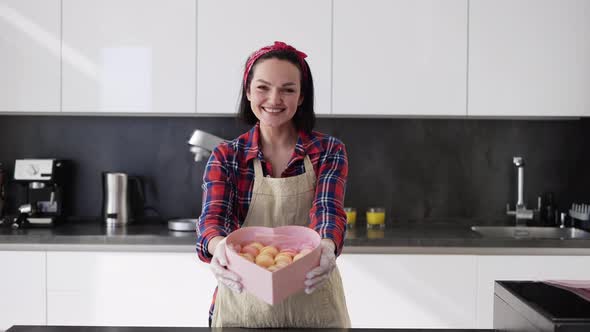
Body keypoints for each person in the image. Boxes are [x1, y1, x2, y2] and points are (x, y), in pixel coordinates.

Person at [196, 41, 351, 328]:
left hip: (314, 302)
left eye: (288, 89)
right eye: (263, 87)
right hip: (243, 308)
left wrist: (327, 246)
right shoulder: (227, 156)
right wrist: (218, 247)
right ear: (248, 92)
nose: (274, 98)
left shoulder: (328, 150)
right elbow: (213, 219)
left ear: (302, 96)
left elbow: (328, 209)